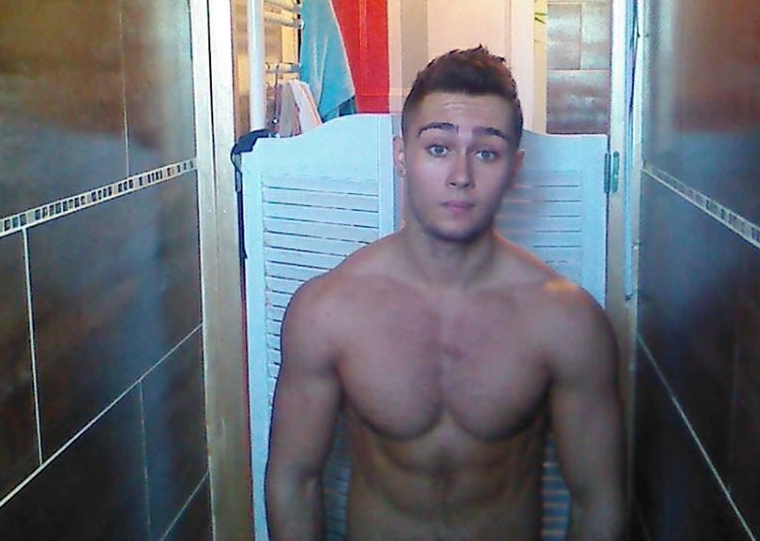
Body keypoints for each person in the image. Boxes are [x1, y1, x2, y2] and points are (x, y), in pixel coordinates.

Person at [265, 46, 625, 541]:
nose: (461, 176)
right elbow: (294, 481)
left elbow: (598, 499)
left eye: (486, 152)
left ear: (514, 168)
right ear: (401, 156)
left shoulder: (565, 321)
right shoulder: (327, 311)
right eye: (438, 148)